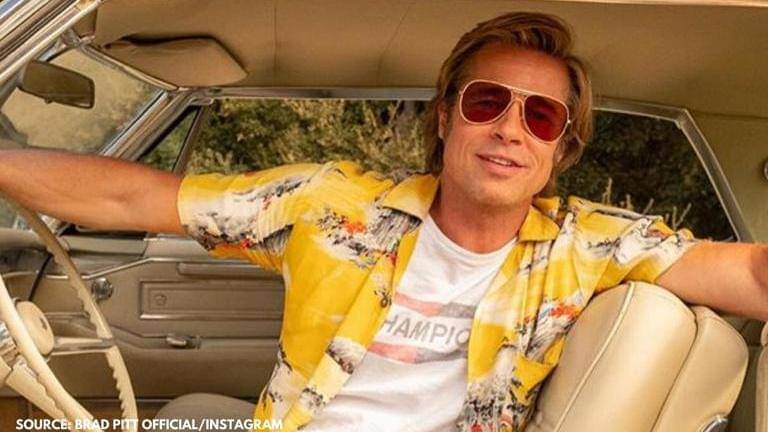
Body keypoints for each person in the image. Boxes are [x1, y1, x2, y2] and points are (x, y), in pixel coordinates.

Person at [0, 11, 766, 432]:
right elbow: (134, 200)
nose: (510, 129)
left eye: (540, 116)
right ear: (447, 115)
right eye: (488, 102)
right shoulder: (334, 206)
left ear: (560, 149)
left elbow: (748, 274)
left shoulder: (586, 244)